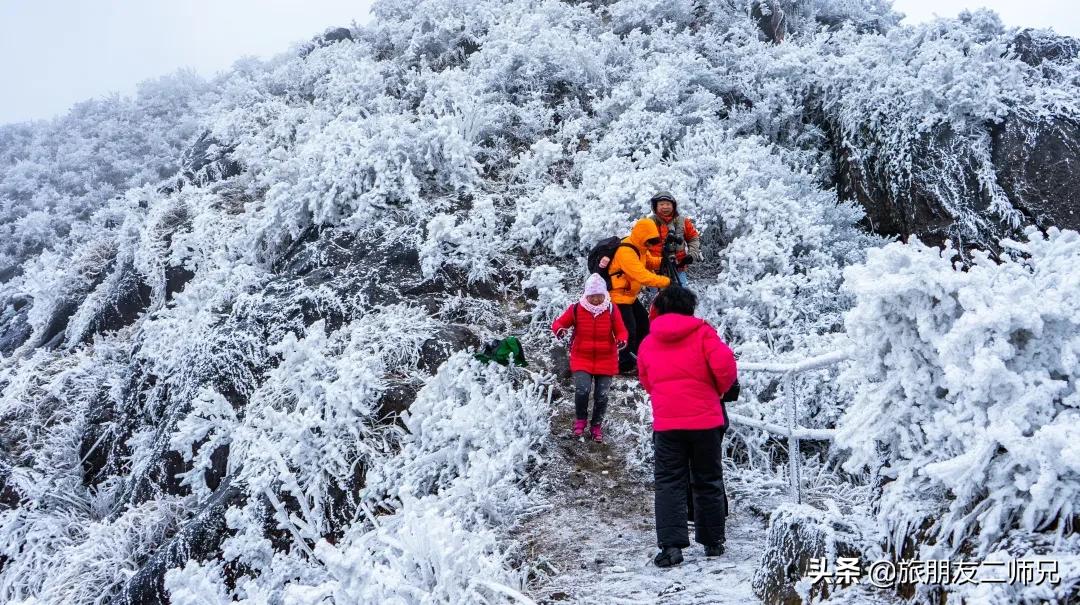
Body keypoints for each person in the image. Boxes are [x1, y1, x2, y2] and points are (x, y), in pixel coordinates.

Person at [636, 286, 738, 568]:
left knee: (669, 482)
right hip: (705, 420)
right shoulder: (704, 333)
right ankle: (713, 542)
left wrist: (665, 398)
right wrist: (716, 391)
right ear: (690, 308)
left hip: (668, 423)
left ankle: (671, 548)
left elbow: (646, 379)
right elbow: (726, 367)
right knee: (708, 479)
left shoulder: (649, 341)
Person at [551, 274, 629, 443]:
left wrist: (621, 340)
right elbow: (558, 323)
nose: (595, 299)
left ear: (604, 294)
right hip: (582, 357)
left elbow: (621, 330)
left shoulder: (611, 309)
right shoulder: (576, 308)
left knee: (602, 394)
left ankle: (596, 426)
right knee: (582, 390)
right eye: (592, 296)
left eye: (599, 296)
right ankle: (580, 421)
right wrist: (560, 330)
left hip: (606, 358)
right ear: (586, 295)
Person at [608, 218, 672, 375]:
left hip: (628, 295)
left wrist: (663, 261)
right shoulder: (626, 251)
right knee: (628, 330)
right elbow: (642, 276)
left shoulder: (640, 247)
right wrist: (666, 282)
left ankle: (639, 357)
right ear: (642, 235)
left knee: (643, 323)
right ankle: (625, 364)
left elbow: (648, 262)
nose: (650, 245)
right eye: (649, 241)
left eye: (653, 241)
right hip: (617, 296)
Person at [646, 191, 703, 288]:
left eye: (668, 204)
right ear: (655, 207)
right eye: (661, 204)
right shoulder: (647, 223)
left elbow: (693, 238)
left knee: (682, 293)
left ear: (673, 206)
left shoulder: (682, 221)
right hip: (655, 270)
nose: (665, 207)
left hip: (678, 267)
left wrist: (692, 254)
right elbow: (639, 243)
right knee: (657, 296)